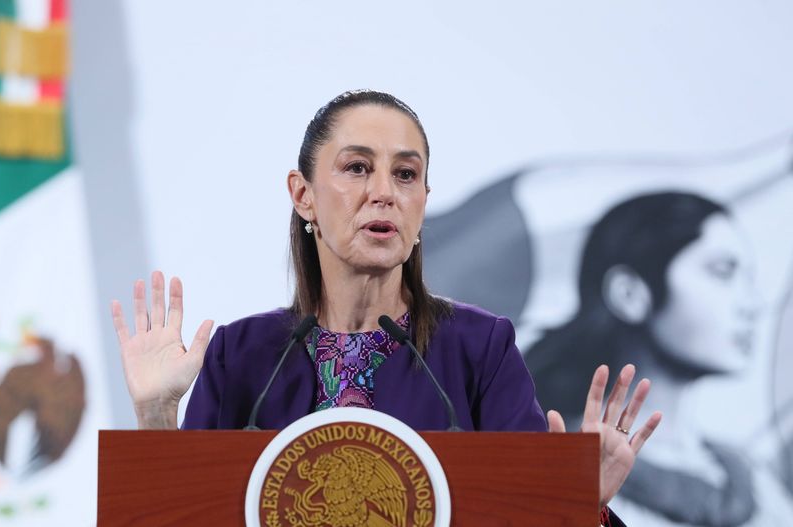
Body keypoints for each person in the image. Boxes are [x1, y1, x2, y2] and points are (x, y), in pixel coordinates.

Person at [110, 90, 662, 525]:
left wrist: (579, 506)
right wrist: (156, 415)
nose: (384, 192)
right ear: (303, 195)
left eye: (405, 174)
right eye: (356, 168)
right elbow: (175, 518)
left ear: (423, 200)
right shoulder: (241, 354)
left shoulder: (480, 349)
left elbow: (526, 518)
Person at [525, 192, 793, 525]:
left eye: (749, 280)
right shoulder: (551, 460)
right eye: (723, 272)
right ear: (630, 293)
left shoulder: (755, 482)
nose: (753, 304)